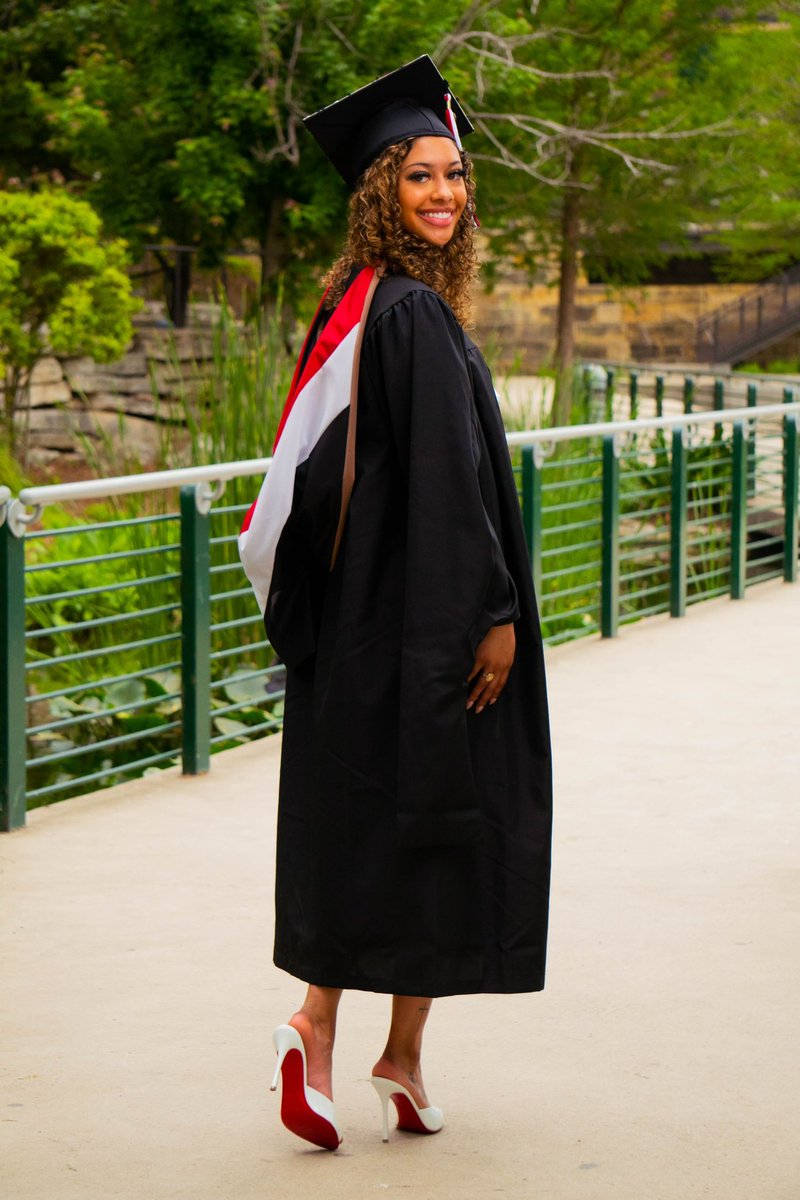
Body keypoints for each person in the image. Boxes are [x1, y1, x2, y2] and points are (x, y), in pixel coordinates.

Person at [239, 55, 552, 1152]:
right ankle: (365, 1049)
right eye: (419, 175)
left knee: (366, 826)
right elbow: (452, 487)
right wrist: (495, 612)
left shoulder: (354, 304)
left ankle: (354, 1046)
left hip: (357, 632)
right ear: (381, 188)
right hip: (430, 628)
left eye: (455, 175)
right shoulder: (413, 314)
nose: (443, 194)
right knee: (444, 822)